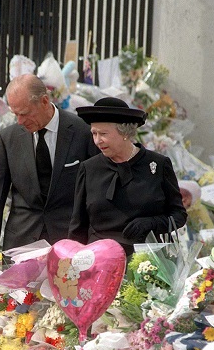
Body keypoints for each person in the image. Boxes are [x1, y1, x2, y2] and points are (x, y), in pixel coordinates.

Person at [0, 73, 98, 268]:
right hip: (21, 242)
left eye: (24, 113)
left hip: (69, 242)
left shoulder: (82, 132)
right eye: (15, 113)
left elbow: (94, 193)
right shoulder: (8, 139)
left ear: (44, 101)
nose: (19, 121)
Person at [68, 97, 187, 256]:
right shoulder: (89, 168)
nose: (97, 141)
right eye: (94, 134)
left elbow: (179, 215)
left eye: (103, 134)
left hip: (148, 263)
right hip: (99, 262)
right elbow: (78, 226)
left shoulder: (158, 164)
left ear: (124, 133)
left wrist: (151, 223)